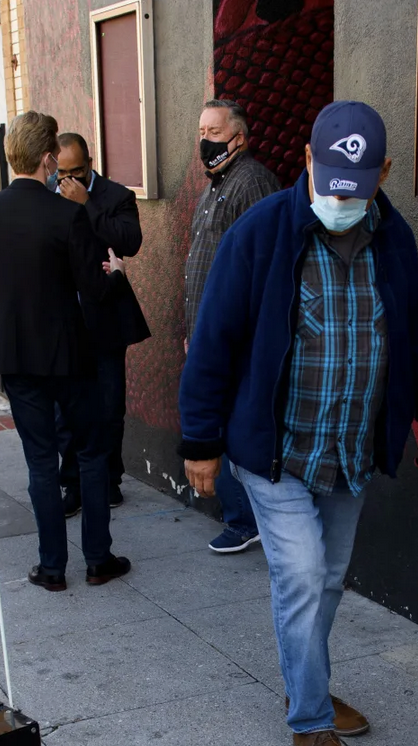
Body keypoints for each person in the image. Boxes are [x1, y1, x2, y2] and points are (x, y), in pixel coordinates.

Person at [180, 101, 418, 746]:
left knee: (328, 579)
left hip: (350, 445)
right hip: (273, 450)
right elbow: (212, 341)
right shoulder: (261, 232)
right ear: (307, 159)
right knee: (301, 574)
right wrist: (200, 442)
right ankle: (309, 720)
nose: (339, 198)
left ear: (382, 172)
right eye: (328, 178)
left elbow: (414, 332)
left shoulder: (394, 239)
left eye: (355, 186)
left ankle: (309, 680)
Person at [0, 112, 132, 591]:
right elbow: (91, 287)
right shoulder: (68, 213)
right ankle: (98, 558)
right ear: (46, 157)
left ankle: (52, 568)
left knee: (39, 460)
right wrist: (114, 273)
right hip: (70, 353)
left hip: (15, 354)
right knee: (93, 452)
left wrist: (0, 308)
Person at [182, 99, 278, 555]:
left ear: (239, 137)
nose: (205, 140)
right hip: (208, 334)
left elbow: (264, 264)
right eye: (201, 130)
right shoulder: (216, 184)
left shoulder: (252, 182)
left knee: (234, 425)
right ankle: (241, 516)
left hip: (235, 338)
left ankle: (247, 521)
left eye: (215, 132)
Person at [54, 131, 150, 514]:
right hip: (67, 319)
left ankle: (110, 479)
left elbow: (130, 241)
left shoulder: (115, 196)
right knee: (68, 411)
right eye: (60, 173)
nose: (67, 181)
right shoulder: (49, 195)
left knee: (109, 405)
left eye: (75, 172)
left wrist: (88, 204)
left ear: (89, 165)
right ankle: (73, 485)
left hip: (106, 317)